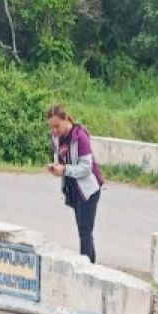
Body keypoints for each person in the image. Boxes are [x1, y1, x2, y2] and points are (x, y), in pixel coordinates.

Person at [46, 104, 104, 263]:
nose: (55, 131)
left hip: (88, 190)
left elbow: (86, 168)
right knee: (84, 230)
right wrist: (56, 167)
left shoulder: (80, 136)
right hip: (74, 189)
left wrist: (64, 170)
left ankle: (85, 269)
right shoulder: (56, 138)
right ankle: (90, 266)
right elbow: (60, 159)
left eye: (57, 126)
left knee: (85, 231)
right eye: (52, 128)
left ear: (66, 119)